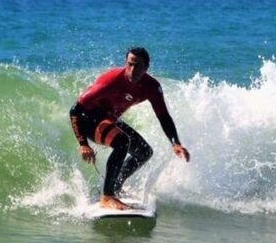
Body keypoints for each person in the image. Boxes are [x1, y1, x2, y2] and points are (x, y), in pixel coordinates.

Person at [69, 47, 190, 210]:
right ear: (125, 63)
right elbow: (75, 110)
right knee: (122, 142)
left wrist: (175, 143)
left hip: (108, 120)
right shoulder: (111, 80)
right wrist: (83, 143)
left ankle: (115, 186)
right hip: (87, 120)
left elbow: (163, 116)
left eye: (138, 66)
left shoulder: (151, 87)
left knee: (143, 152)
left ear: (147, 68)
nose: (132, 70)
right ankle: (107, 196)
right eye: (130, 64)